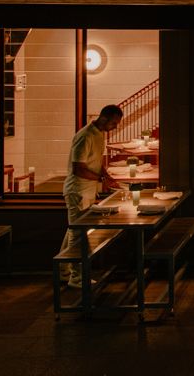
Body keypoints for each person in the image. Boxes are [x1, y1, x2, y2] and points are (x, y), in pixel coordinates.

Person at [60, 104, 124, 288]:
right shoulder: (85, 136)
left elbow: (95, 161)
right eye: (113, 123)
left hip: (86, 191)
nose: (115, 127)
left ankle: (63, 270)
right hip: (78, 191)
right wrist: (101, 179)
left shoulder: (99, 134)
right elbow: (78, 168)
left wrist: (105, 175)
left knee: (73, 230)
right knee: (78, 234)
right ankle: (77, 277)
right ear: (103, 118)